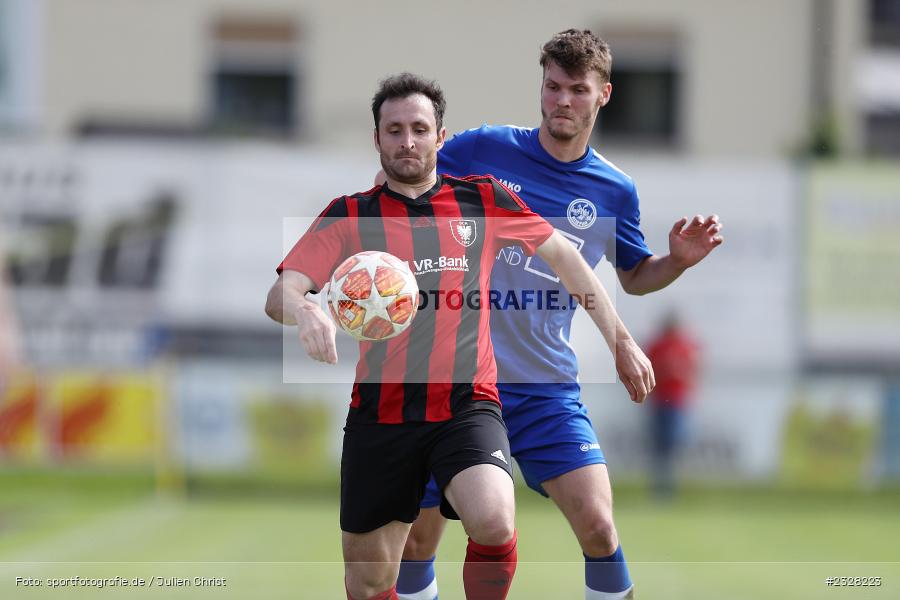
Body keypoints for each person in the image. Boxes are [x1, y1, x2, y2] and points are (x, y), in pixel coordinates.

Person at [265, 73, 653, 600]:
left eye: (419, 128)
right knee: (370, 580)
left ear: (441, 138)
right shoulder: (349, 215)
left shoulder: (482, 202)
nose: (407, 141)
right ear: (376, 139)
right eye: (394, 129)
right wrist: (306, 308)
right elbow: (281, 293)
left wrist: (621, 340)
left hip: (467, 406)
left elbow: (565, 257)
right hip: (382, 415)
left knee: (493, 520)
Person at [394, 30, 723, 600]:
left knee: (598, 525)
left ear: (604, 95)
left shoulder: (613, 190)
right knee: (420, 538)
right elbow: (406, 181)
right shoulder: (482, 149)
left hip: (543, 387)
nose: (561, 100)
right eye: (552, 86)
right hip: (456, 380)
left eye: (576, 89)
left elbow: (635, 277)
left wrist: (676, 262)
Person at [646, 312, 699, 501]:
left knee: (673, 444)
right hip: (659, 401)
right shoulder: (657, 346)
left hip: (677, 402)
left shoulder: (685, 345)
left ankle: (670, 487)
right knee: (659, 446)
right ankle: (661, 488)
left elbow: (692, 370)